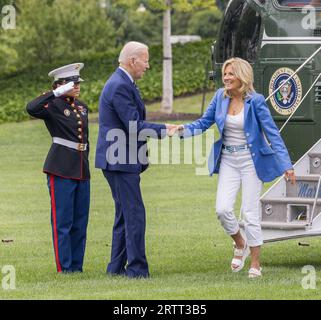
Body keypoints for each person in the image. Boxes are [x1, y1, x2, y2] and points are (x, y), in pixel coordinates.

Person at [177, 57, 296, 278]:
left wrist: (286, 165)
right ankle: (240, 243)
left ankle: (256, 264)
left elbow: (272, 134)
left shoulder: (256, 101)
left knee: (250, 214)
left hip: (251, 161)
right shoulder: (219, 98)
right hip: (229, 161)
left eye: (231, 74)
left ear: (242, 76)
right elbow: (203, 123)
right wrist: (182, 129)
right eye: (225, 74)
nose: (226, 77)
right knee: (222, 209)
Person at [95, 41, 176, 278]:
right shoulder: (120, 85)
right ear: (132, 61)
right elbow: (134, 126)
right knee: (134, 214)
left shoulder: (122, 82)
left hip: (119, 160)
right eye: (146, 60)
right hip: (119, 161)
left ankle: (115, 268)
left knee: (124, 215)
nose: (148, 66)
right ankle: (137, 270)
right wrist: (165, 129)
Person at [26, 63, 90, 273]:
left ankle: (77, 268)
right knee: (63, 221)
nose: (78, 86)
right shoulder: (52, 105)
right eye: (73, 83)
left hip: (81, 168)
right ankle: (65, 268)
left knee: (80, 221)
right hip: (60, 168)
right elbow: (31, 108)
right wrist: (55, 93)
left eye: (78, 82)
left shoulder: (81, 107)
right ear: (60, 85)